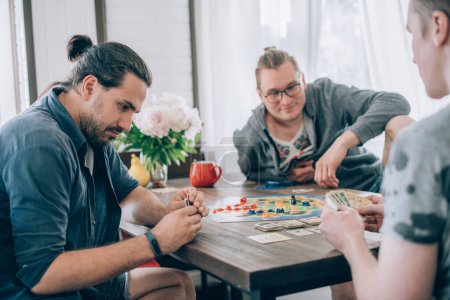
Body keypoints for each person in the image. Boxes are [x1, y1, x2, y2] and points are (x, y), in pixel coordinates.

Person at [0, 35, 209, 299]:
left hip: (82, 284)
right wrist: (154, 242)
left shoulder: (92, 133)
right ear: (89, 87)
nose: (126, 125)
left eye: (133, 112)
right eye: (123, 106)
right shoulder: (40, 142)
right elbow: (42, 274)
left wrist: (165, 213)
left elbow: (129, 194)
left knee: (176, 285)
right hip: (36, 290)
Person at [320, 0, 450, 298]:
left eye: (413, 35)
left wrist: (351, 239)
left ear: (439, 27)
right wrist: (402, 214)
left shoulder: (423, 145)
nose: (414, 57)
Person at [233, 47, 413, 192]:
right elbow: (250, 172)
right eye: (273, 93)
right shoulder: (251, 134)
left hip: (369, 187)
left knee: (400, 122)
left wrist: (342, 143)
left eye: (292, 87)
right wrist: (285, 176)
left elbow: (395, 102)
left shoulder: (326, 95)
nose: (286, 100)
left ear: (302, 80)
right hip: (318, 207)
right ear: (260, 95)